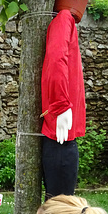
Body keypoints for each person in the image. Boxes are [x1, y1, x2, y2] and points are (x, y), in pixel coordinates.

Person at [40, 10, 86, 199]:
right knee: (60, 209)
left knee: (60, 207)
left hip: (62, 139)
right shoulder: (64, 18)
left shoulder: (65, 20)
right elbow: (56, 59)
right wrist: (61, 106)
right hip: (60, 139)